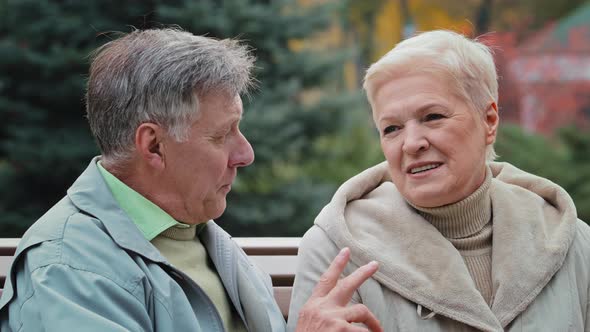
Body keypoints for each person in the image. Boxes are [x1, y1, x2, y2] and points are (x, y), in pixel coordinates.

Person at [0, 28, 382, 332]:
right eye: (221, 135)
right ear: (153, 145)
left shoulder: (201, 236)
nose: (245, 155)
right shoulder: (66, 269)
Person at [287, 30, 590, 331]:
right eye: (392, 128)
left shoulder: (571, 242)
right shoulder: (336, 249)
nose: (411, 143)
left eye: (432, 117)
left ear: (489, 121)